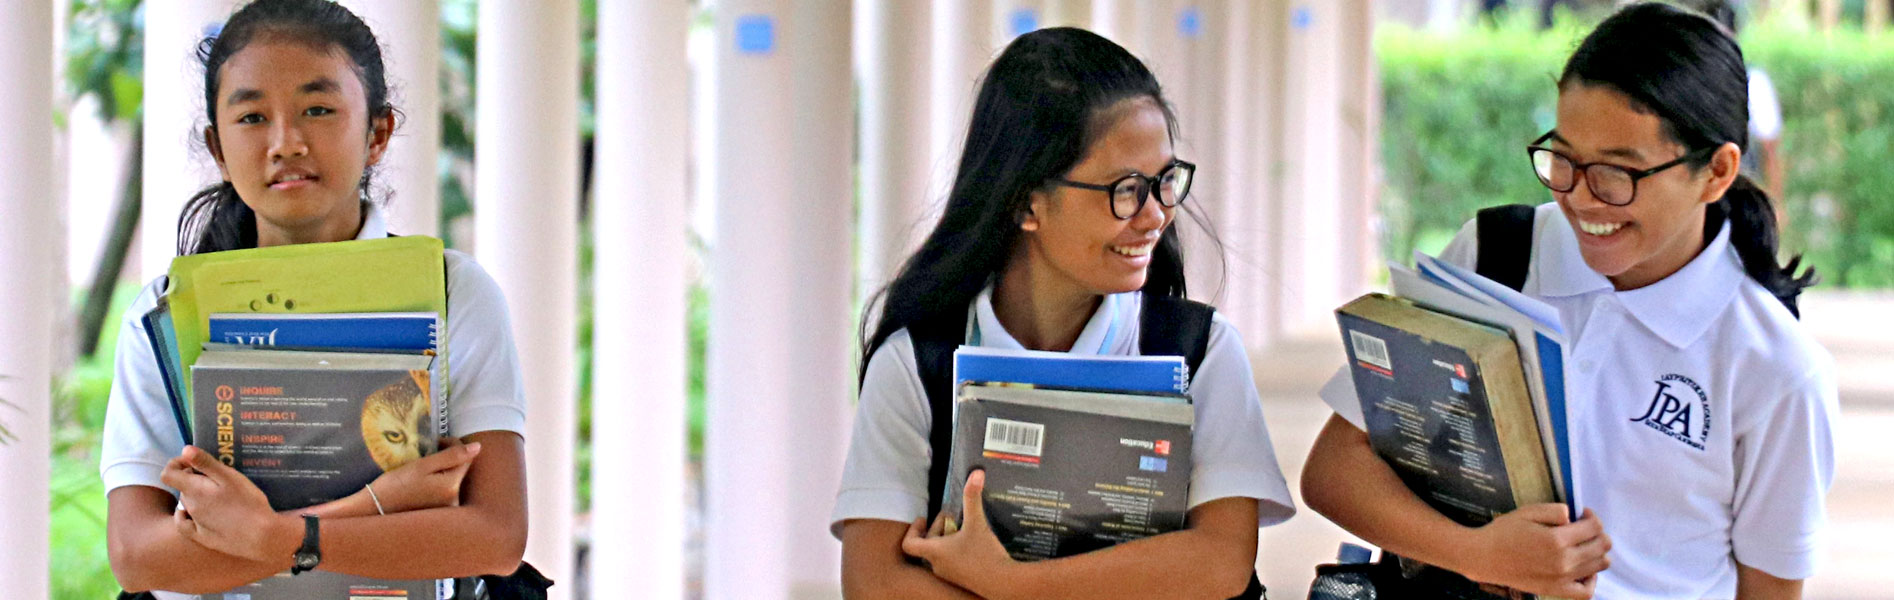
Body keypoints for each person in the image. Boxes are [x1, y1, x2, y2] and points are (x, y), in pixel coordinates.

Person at [1301, 4, 1835, 599]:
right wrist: (1479, 555)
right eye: (1564, 158)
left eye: (1618, 172)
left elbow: (1770, 588)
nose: (1581, 197)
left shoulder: (1775, 368)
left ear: (1716, 172)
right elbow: (1334, 470)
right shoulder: (1495, 258)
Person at [831, 27, 1296, 600]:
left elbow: (1220, 561)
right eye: (1126, 189)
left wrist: (1010, 585)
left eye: (1164, 182)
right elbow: (874, 580)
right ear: (1025, 202)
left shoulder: (1199, 352)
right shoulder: (917, 365)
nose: (1155, 215)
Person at [102, 1, 529, 597]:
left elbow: (496, 538)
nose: (286, 143)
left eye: (319, 109)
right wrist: (375, 507)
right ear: (219, 149)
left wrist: (268, 536)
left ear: (378, 133)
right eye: (252, 117)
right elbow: (138, 557)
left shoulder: (455, 291)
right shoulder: (164, 313)